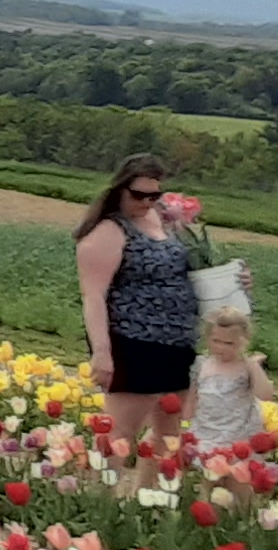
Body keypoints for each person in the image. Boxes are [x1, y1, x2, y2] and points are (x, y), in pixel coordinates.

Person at [75, 154, 199, 481]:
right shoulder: (110, 230)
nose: (146, 202)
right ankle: (98, 502)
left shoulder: (165, 221)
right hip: (135, 343)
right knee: (118, 435)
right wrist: (102, 353)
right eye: (139, 195)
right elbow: (93, 296)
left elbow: (194, 270)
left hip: (177, 343)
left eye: (154, 195)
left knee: (168, 435)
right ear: (120, 190)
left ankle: (150, 502)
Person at [186, 305, 277, 480]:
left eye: (229, 343)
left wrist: (253, 365)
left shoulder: (245, 368)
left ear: (244, 341)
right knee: (207, 478)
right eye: (215, 341)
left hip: (237, 434)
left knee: (237, 479)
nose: (221, 348)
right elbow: (192, 397)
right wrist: (185, 426)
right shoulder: (201, 364)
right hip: (206, 431)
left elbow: (266, 395)